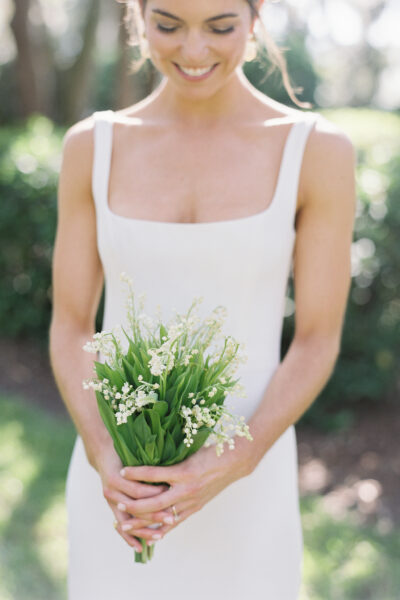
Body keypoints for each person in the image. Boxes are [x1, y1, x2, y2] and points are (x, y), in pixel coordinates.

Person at [49, 0, 356, 598]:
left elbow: (318, 337)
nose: (194, 51)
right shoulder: (92, 146)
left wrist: (231, 461)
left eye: (220, 27)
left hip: (249, 481)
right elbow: (70, 322)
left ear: (255, 17)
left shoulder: (317, 151)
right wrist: (103, 451)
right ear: (137, 17)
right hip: (120, 490)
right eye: (168, 25)